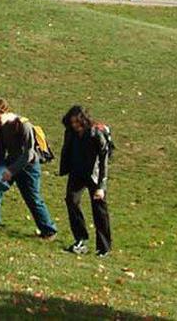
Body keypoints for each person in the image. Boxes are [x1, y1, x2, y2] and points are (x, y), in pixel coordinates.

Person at [0, 99, 56, 240]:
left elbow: (29, 154)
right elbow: (0, 149)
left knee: (32, 198)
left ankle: (48, 230)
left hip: (28, 166)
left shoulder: (23, 125)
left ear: (5, 112)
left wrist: (11, 171)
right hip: (11, 161)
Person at [59, 105, 113, 257]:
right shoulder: (70, 133)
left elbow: (104, 161)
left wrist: (101, 186)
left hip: (94, 175)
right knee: (71, 200)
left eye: (77, 122)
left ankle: (104, 247)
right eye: (72, 122)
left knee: (99, 209)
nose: (75, 125)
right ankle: (80, 239)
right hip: (77, 172)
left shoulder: (96, 134)